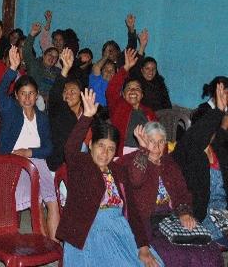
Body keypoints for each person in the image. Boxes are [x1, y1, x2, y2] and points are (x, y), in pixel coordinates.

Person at [57, 89, 162, 267]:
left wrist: (143, 247)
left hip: (120, 229)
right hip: (89, 232)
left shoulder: (119, 170)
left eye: (111, 148)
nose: (105, 153)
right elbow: (70, 148)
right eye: (101, 146)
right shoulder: (81, 165)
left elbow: (133, 211)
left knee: (152, 263)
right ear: (90, 145)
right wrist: (87, 117)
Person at [121, 122, 224, 266]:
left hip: (172, 218)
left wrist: (184, 213)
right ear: (143, 141)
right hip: (147, 222)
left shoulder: (169, 163)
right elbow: (136, 180)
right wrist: (143, 151)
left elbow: (182, 191)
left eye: (161, 141)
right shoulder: (132, 159)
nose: (157, 147)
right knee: (172, 255)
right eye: (151, 142)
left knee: (208, 250)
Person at [0, 46, 59, 240]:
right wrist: (12, 70)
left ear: (37, 94)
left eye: (31, 93)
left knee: (52, 200)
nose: (27, 97)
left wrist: (29, 152)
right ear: (16, 96)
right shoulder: (11, 112)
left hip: (36, 160)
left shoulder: (41, 118)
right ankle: (43, 242)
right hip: (14, 163)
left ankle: (55, 244)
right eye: (22, 93)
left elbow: (48, 147)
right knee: (36, 199)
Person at [173, 82, 228, 248]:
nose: (212, 131)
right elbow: (197, 135)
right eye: (208, 126)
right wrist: (217, 110)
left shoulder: (219, 148)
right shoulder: (187, 151)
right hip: (204, 213)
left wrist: (223, 113)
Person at [106, 48, 157, 155]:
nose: (133, 91)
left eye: (137, 88)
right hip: (122, 154)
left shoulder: (149, 113)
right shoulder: (118, 106)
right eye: (129, 88)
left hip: (145, 153)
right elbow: (111, 90)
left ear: (142, 95)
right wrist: (126, 68)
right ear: (123, 95)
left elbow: (158, 135)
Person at [22, 22, 60, 101]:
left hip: (50, 103)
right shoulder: (34, 65)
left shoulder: (58, 72)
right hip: (33, 99)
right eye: (50, 54)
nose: (52, 58)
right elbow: (26, 51)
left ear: (56, 61)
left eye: (55, 57)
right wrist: (32, 34)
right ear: (43, 55)